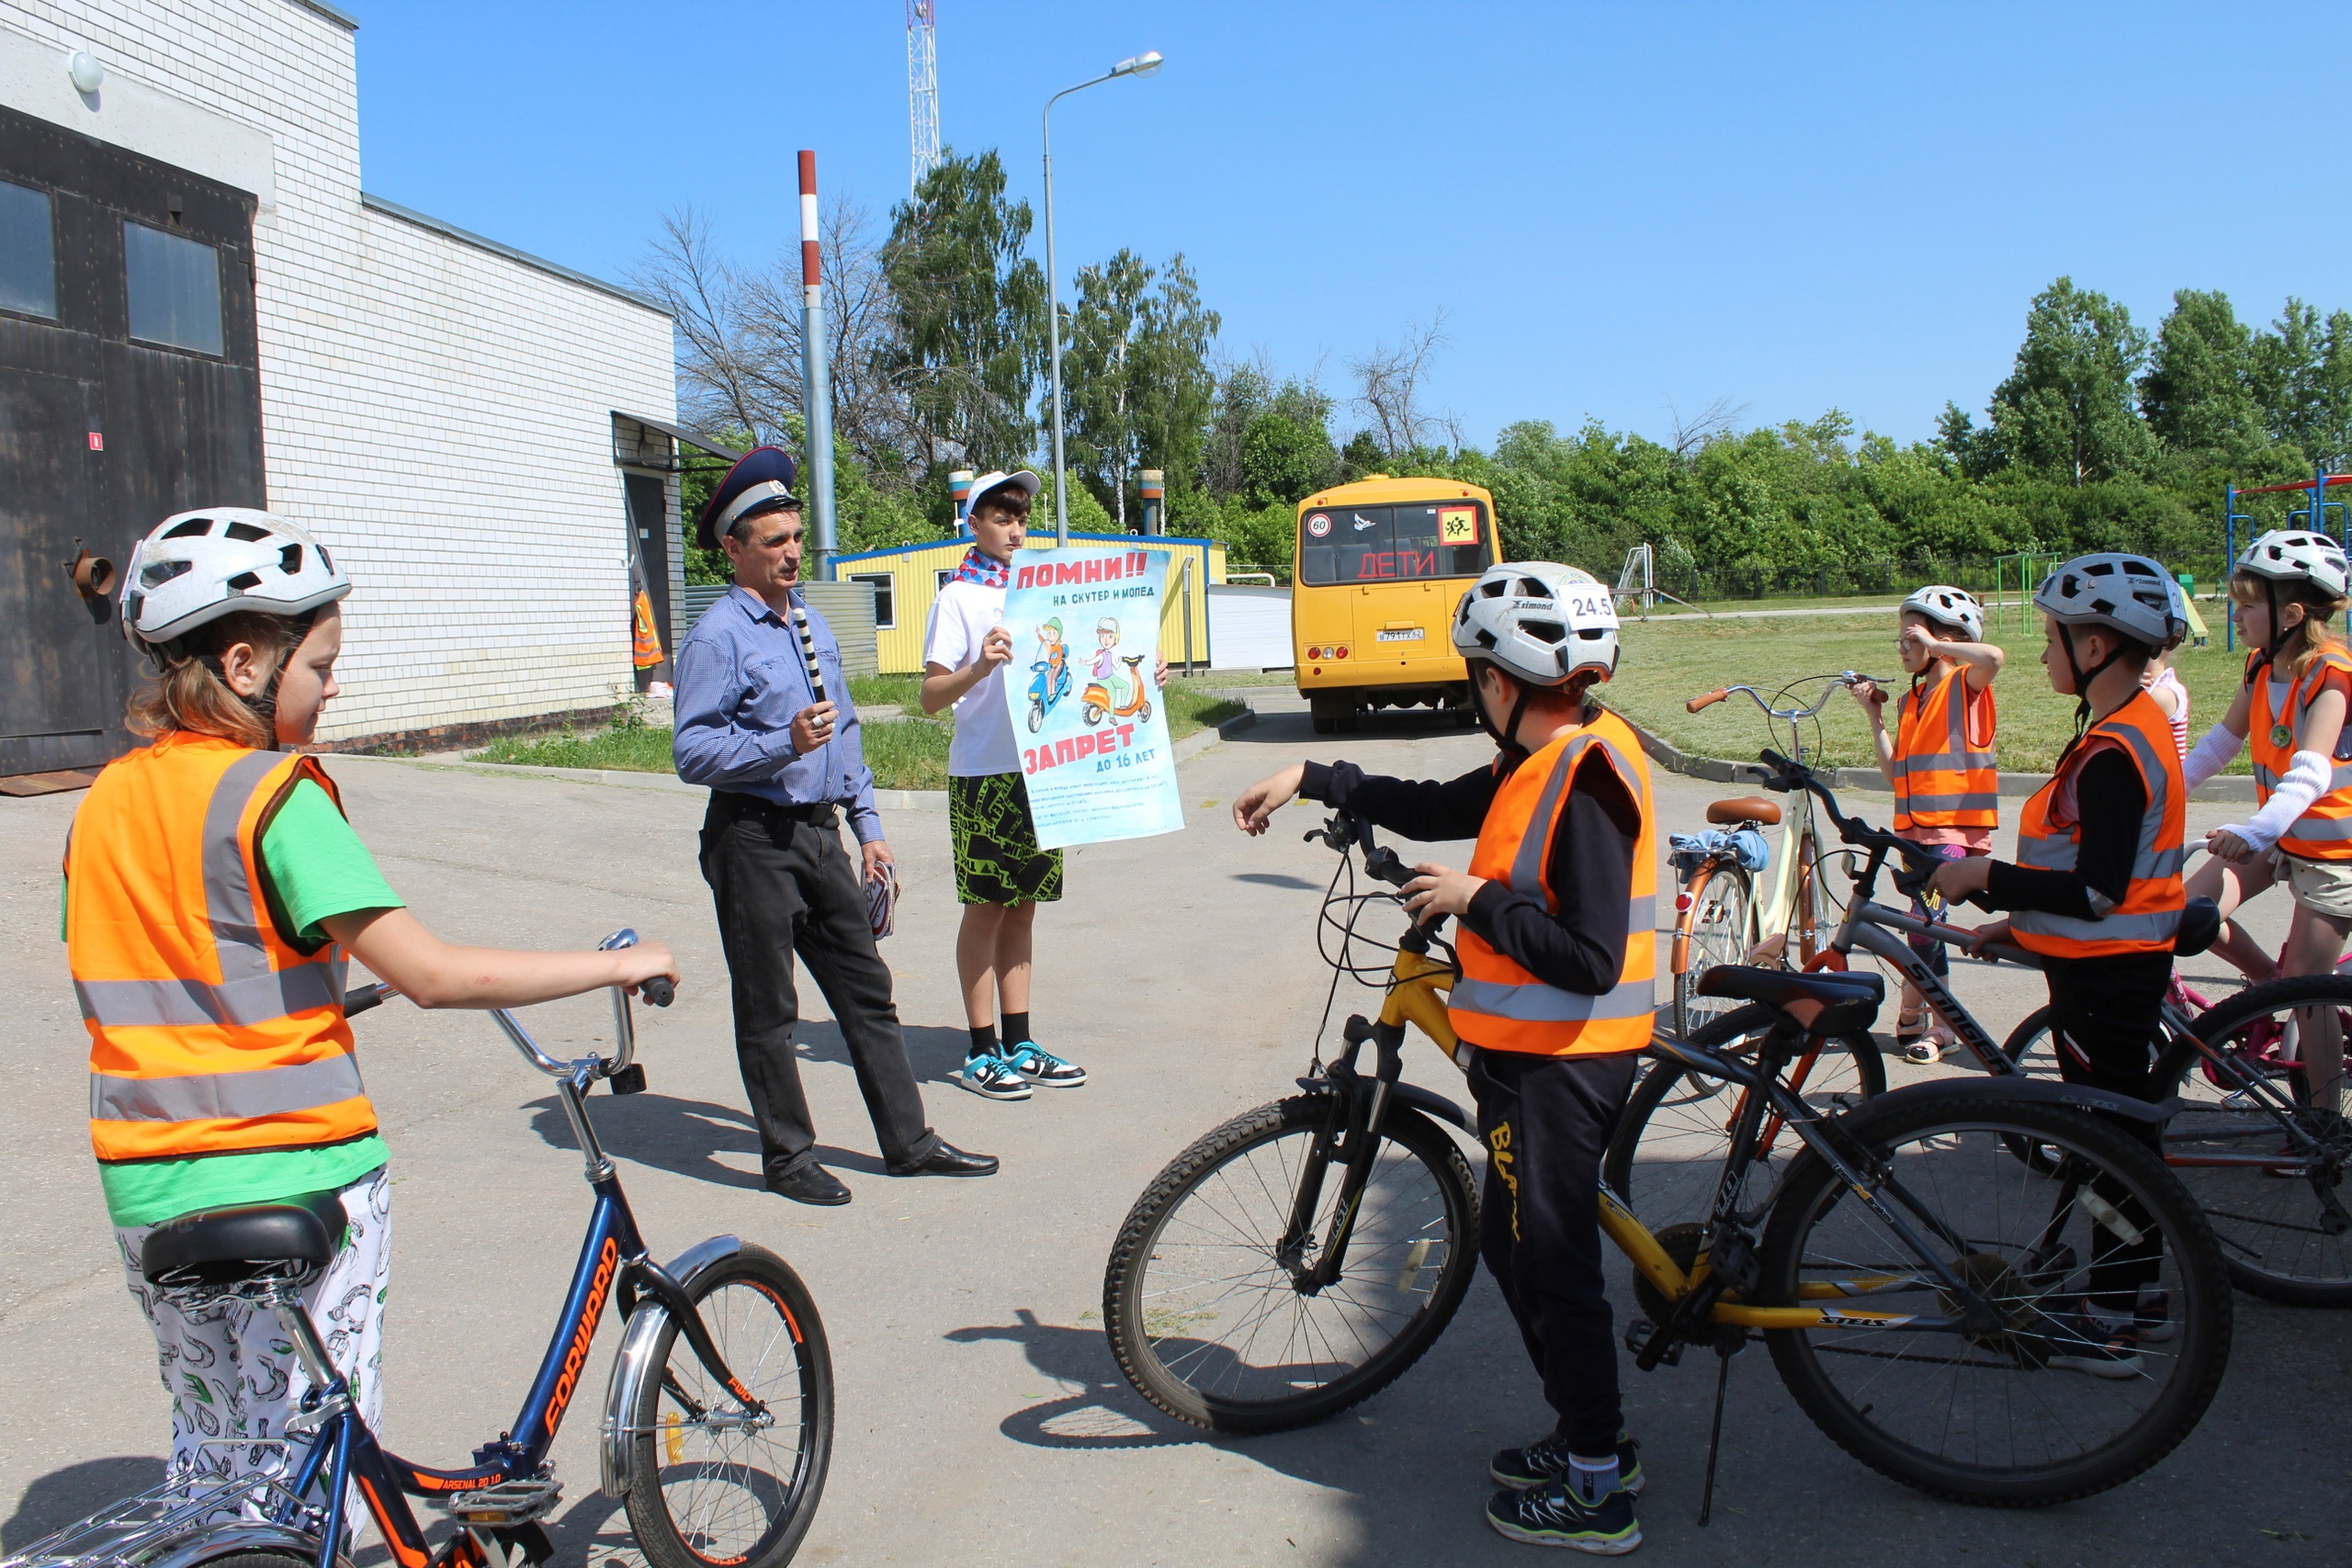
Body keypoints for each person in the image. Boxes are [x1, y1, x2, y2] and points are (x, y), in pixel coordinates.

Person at [69, 508, 680, 1510]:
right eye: (319, 665)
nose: (333, 685)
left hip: (144, 1187)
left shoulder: (102, 802)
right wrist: (612, 965)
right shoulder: (275, 794)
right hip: (293, 1168)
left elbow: (169, 957)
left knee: (223, 1452)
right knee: (321, 1471)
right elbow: (433, 972)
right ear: (243, 666)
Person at [1233, 562, 1652, 1555]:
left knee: (1554, 1263)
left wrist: (1476, 901)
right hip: (1525, 1052)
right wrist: (1314, 776)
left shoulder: (1585, 779)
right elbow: (1431, 801)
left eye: (1475, 676)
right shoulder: (1539, 756)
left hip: (1566, 1056)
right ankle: (1587, 1436)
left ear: (1502, 681)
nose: (1474, 695)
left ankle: (1599, 1480)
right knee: (1514, 1248)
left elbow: (1588, 958)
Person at [674, 446, 995, 1202]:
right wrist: (779, 742)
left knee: (866, 988)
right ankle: (788, 1156)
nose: (791, 553)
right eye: (773, 542)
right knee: (769, 1007)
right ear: (734, 548)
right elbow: (690, 749)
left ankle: (908, 1142)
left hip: (819, 835)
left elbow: (844, 730)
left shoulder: (812, 622)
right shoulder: (718, 635)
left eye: (793, 536)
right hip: (751, 838)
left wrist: (868, 825)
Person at [1932, 551, 2189, 1372]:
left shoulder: (2116, 753)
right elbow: (2092, 884)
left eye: (2053, 637)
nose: (2044, 653)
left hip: (2108, 973)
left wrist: (1986, 877)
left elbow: (2098, 890)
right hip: (2113, 963)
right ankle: (2136, 1295)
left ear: (2097, 648)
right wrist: (2021, 923)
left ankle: (2108, 1320)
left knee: (2109, 1148)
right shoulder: (2130, 727)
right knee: (2122, 1135)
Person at [918, 472, 1160, 1100]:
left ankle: (1019, 1038)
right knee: (986, 908)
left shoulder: (1045, 591)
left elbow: (1088, 667)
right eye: (1002, 518)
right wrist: (979, 665)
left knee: (1023, 907)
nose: (1016, 530)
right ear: (973, 524)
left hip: (1044, 772)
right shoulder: (958, 599)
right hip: (983, 774)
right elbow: (928, 698)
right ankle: (980, 1048)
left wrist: (1146, 664)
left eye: (1021, 517)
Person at [2174, 530, 2352, 1111]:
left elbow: (2310, 773)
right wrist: (2155, 792)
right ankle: (2264, 988)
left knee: (2311, 990)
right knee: (2181, 913)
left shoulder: (2331, 674)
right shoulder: (2260, 665)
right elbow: (2222, 742)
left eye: (2247, 603)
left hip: (2333, 851)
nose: (2235, 612)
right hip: (2281, 833)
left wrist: (2253, 832)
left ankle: (2323, 1128)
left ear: (2292, 613)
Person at [1849, 585, 2002, 1063]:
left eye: (1909, 637)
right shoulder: (1911, 701)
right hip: (1914, 833)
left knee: (1925, 924)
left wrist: (1937, 646)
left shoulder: (1964, 686)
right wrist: (1876, 719)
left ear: (1945, 638)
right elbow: (1895, 774)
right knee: (1922, 925)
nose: (1901, 647)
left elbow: (1993, 656)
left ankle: (1944, 1027)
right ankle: (1913, 1010)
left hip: (1953, 832)